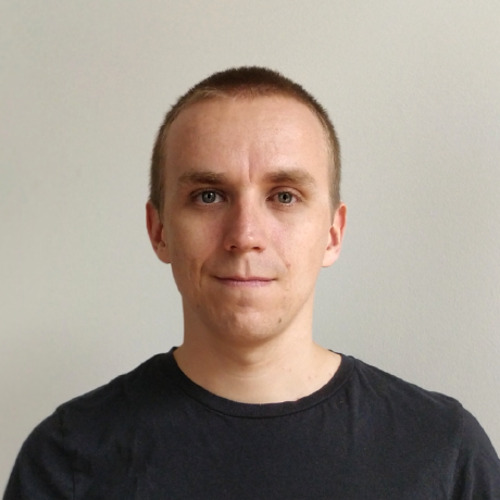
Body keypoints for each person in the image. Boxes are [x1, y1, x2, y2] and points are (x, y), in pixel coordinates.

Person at [4, 66, 500, 499]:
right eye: (209, 195)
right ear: (159, 231)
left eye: (284, 197)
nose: (245, 236)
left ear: (332, 233)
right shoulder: (67, 457)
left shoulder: (444, 450)